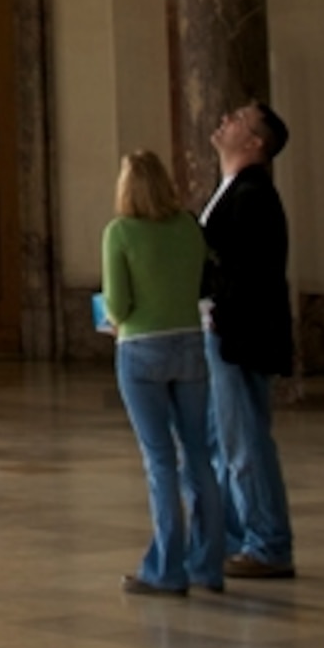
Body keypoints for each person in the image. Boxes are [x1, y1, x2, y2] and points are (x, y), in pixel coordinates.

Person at [103, 150, 226, 598]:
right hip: (189, 342)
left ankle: (166, 569)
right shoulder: (188, 227)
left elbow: (118, 305)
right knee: (198, 455)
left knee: (159, 460)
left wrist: (113, 318)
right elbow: (201, 280)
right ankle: (208, 566)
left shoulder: (120, 232)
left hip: (141, 348)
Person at [201, 99, 297, 579]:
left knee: (244, 443)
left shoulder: (253, 194)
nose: (226, 120)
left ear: (256, 142)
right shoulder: (233, 190)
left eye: (239, 118)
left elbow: (247, 272)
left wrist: (213, 304)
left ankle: (268, 544)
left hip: (237, 334)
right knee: (225, 442)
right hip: (225, 331)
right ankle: (237, 537)